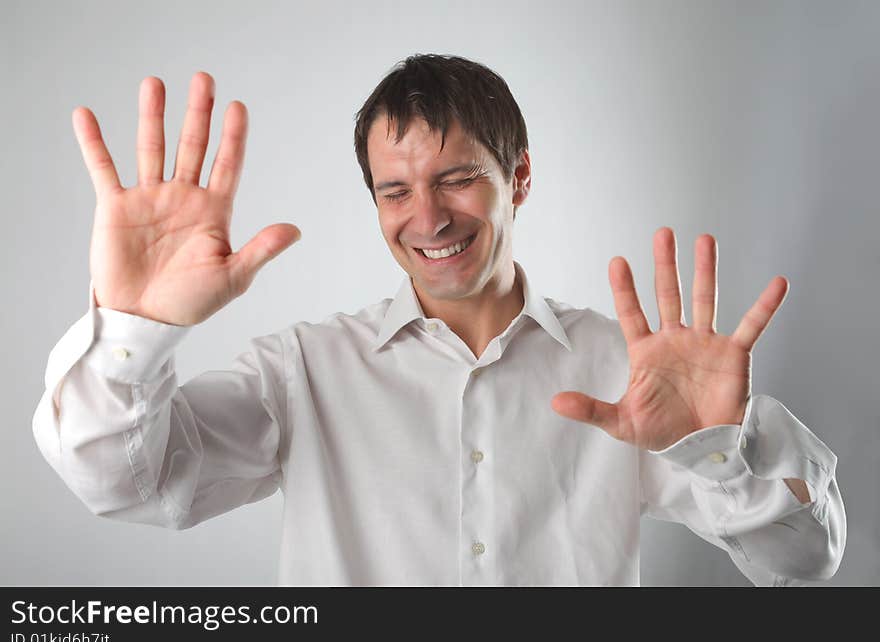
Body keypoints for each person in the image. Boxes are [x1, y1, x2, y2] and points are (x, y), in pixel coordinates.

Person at [32, 54, 845, 586]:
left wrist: (720, 449)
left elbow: (807, 560)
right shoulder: (302, 370)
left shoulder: (627, 368)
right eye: (395, 191)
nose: (428, 218)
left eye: (458, 178)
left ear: (518, 176)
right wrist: (135, 328)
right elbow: (127, 484)